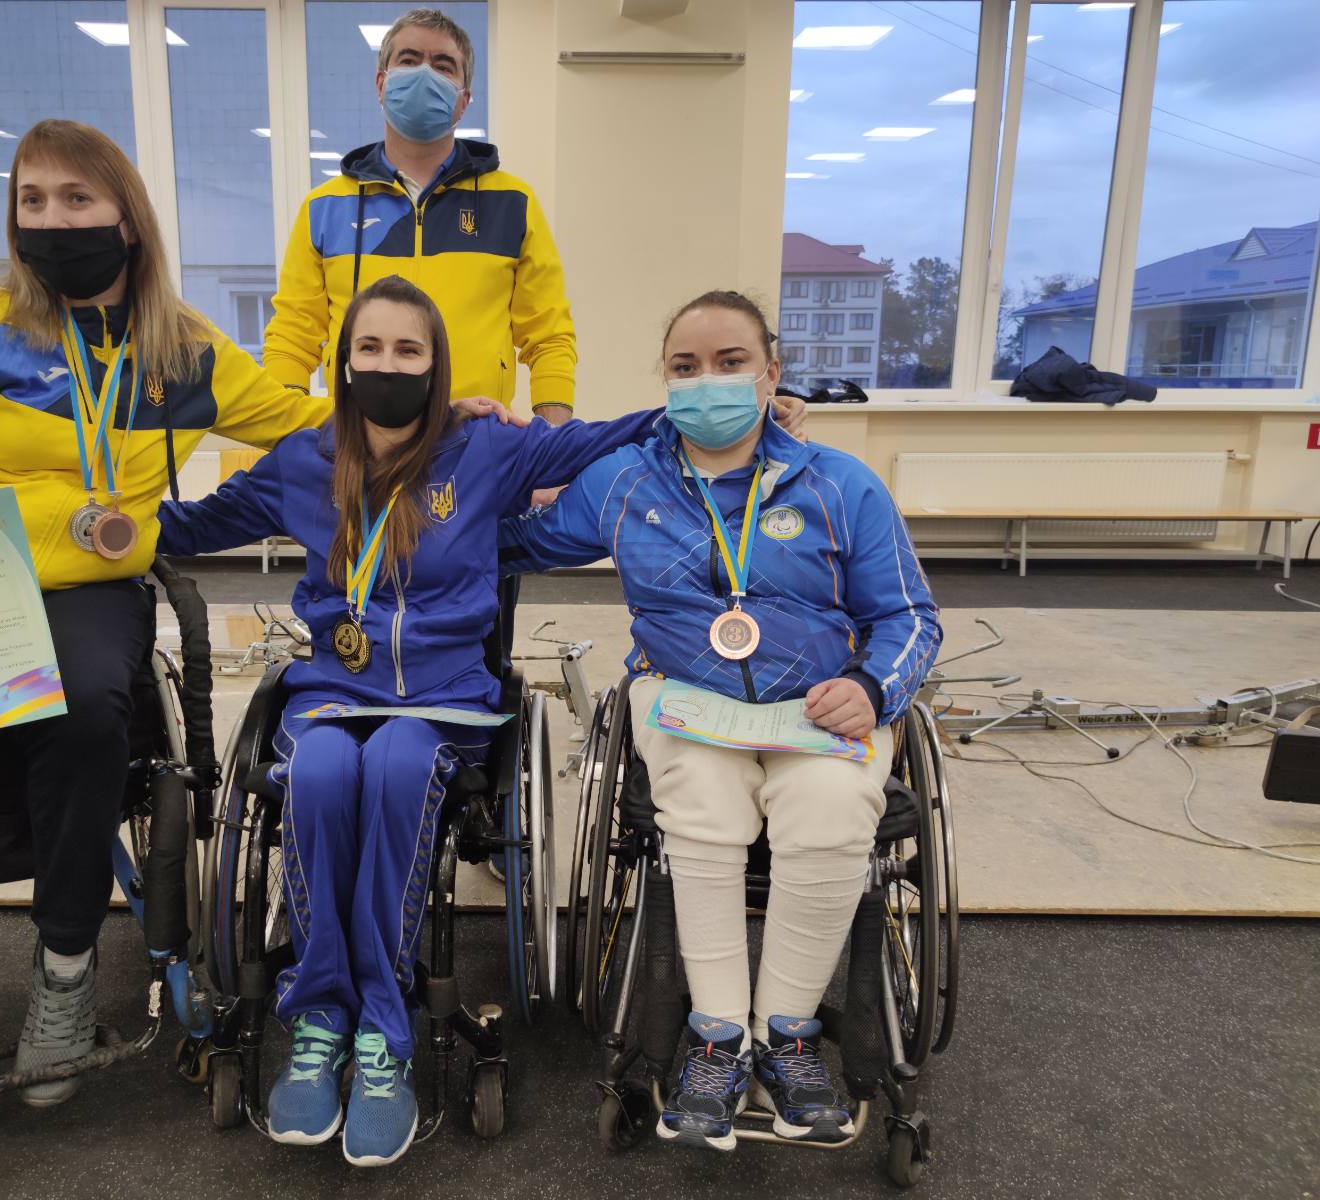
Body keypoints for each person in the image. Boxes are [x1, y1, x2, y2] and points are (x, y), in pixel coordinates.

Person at [0, 119, 365, 1108]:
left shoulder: (181, 351)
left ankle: (65, 969)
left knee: (87, 711)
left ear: (126, 218)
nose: (53, 220)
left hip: (88, 586)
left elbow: (306, 421)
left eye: (76, 199)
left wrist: (445, 413)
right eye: (33, 200)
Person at [155, 274, 665, 1166]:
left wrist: (704, 412)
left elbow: (601, 437)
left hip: (443, 698)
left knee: (395, 763)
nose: (387, 365)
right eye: (370, 348)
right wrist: (72, 519)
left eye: (408, 350)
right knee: (320, 771)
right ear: (343, 361)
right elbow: (191, 527)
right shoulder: (304, 459)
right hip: (333, 689)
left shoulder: (484, 449)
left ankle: (382, 1033)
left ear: (436, 366)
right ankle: (321, 1018)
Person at [501, 290, 941, 1151]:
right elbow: (511, 540)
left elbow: (910, 617)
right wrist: (477, 458)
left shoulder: (842, 484)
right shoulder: (624, 480)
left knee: (830, 809)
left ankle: (788, 1037)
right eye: (685, 366)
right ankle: (717, 1037)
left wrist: (872, 687)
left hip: (816, 705)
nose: (707, 381)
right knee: (701, 801)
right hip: (686, 700)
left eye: (729, 363)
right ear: (665, 382)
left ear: (771, 374)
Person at [260, 7, 578, 426]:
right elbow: (292, 336)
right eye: (409, 60)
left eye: (443, 66)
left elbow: (549, 335)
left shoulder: (512, 202)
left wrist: (554, 442)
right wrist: (288, 436)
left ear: (463, 100)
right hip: (361, 439)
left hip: (477, 438)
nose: (425, 74)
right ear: (381, 83)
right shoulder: (325, 207)